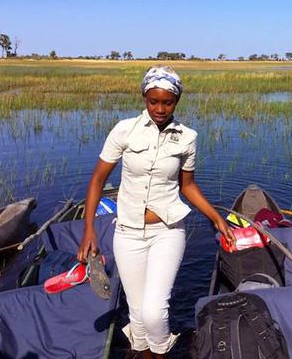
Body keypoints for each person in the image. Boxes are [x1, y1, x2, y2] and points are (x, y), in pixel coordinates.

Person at [77, 65, 235, 359]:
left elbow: (187, 185)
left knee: (153, 312)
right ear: (144, 98)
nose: (160, 109)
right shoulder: (124, 130)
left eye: (167, 102)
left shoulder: (187, 137)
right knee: (137, 315)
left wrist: (216, 218)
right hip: (127, 233)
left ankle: (161, 353)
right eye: (153, 101)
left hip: (168, 231)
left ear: (177, 101)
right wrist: (89, 230)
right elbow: (97, 180)